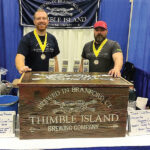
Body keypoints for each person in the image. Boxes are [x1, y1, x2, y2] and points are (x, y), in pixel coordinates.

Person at [15, 9, 60, 74]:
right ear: (34, 21)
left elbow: (55, 59)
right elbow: (20, 56)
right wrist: (21, 67)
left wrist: (56, 75)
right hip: (30, 79)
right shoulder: (27, 38)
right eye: (38, 18)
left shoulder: (52, 38)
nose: (41, 20)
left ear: (47, 21)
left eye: (44, 18)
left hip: (49, 78)